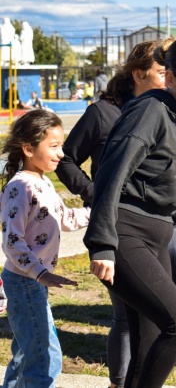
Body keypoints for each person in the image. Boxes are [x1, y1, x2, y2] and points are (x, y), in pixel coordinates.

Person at [83, 36, 176, 388]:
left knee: (149, 341)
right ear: (170, 78)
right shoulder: (149, 110)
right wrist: (102, 243)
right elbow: (110, 174)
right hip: (125, 233)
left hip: (157, 235)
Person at [55, 38, 173, 388]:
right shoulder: (103, 112)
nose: (169, 80)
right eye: (163, 72)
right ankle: (119, 382)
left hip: (159, 225)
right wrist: (93, 191)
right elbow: (66, 159)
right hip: (116, 225)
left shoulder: (164, 110)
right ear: (138, 73)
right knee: (128, 314)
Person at [0, 109, 90, 388]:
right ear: (28, 148)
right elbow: (12, 241)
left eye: (61, 145)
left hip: (32, 281)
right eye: (53, 146)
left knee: (26, 352)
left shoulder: (43, 181)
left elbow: (64, 218)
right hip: (25, 281)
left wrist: (98, 211)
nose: (61, 153)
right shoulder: (20, 187)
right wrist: (40, 273)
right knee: (44, 359)